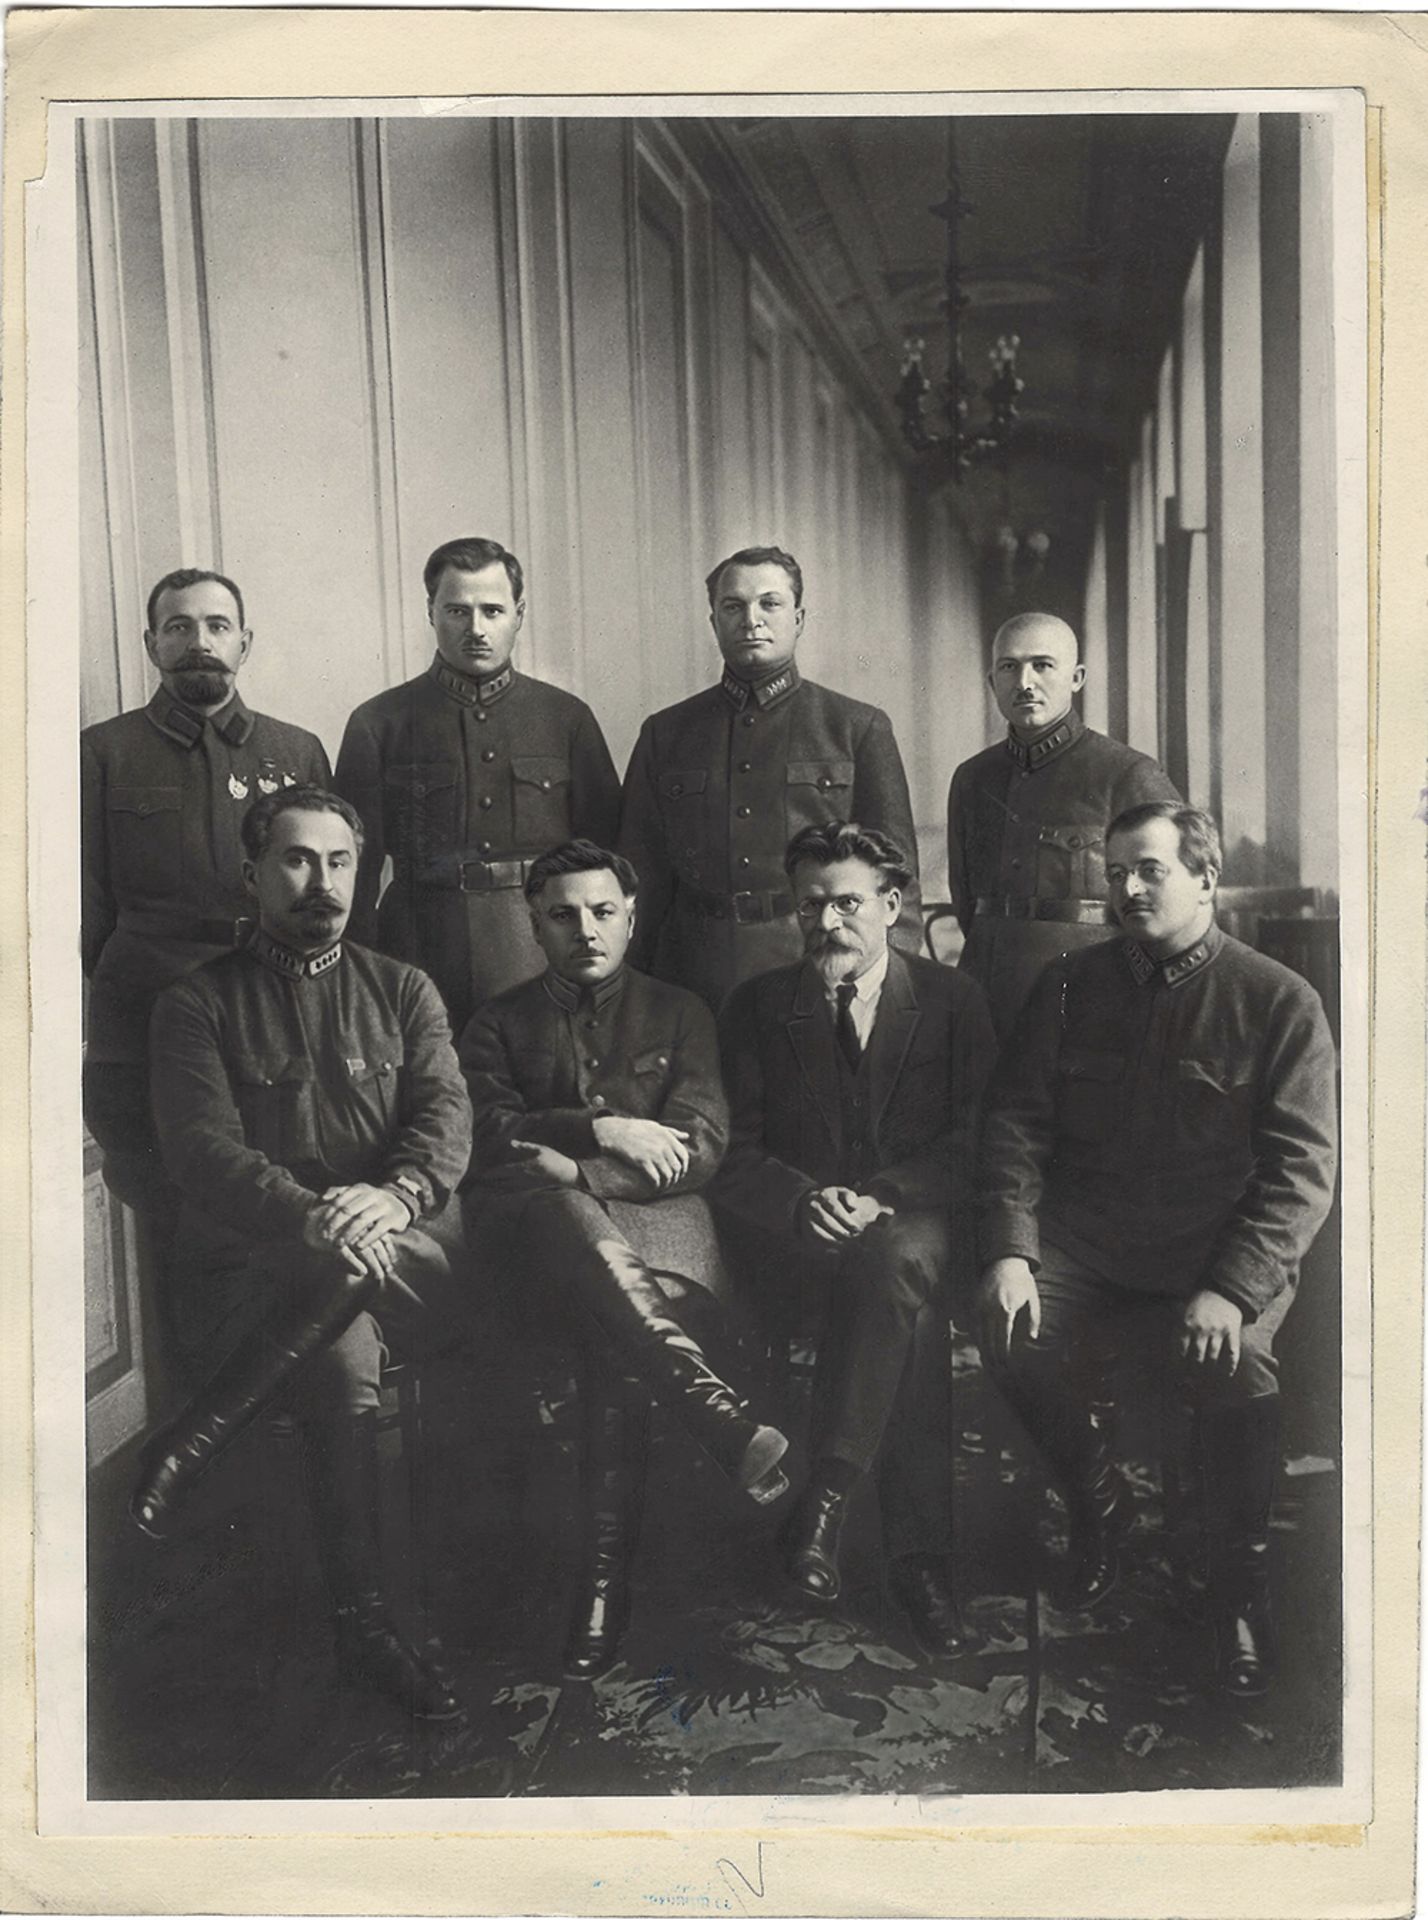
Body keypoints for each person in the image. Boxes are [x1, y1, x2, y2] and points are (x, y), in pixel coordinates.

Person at [975, 802, 1338, 1696]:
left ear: (1206, 879)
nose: (1126, 890)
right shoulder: (1069, 985)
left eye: (1149, 871)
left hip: (1215, 1254)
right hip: (1086, 1241)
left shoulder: (1277, 999)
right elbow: (1015, 1127)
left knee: (1241, 1372)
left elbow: (1301, 1173)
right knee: (1002, 1324)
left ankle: (1233, 1591)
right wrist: (1013, 1251)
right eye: (1115, 874)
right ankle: (1101, 1507)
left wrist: (1235, 1291)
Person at [129, 787, 474, 1721]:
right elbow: (200, 1148)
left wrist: (395, 1195)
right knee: (341, 1354)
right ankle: (367, 1627)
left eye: (339, 862)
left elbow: (446, 1120)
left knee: (361, 1272)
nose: (320, 881)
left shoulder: (404, 989)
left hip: (411, 1257)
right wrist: (308, 1214)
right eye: (295, 859)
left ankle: (196, 1438)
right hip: (264, 1269)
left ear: (363, 875)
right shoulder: (194, 1004)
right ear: (250, 874)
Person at [459, 840, 790, 1681]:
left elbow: (701, 1147)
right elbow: (483, 1136)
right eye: (563, 914)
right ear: (532, 921)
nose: (586, 930)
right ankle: (718, 1422)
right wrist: (598, 1130)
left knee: (609, 1303)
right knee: (576, 1246)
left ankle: (600, 1587)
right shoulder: (498, 1022)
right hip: (542, 1242)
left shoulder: (682, 1012)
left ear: (632, 917)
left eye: (604, 911)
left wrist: (575, 1166)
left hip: (665, 1229)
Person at [713, 822, 996, 1656]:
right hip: (797, 1239)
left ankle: (824, 1504)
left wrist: (880, 1199)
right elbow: (737, 1151)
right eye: (809, 905)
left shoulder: (952, 1002)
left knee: (895, 1262)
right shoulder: (759, 1007)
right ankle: (920, 1564)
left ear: (892, 906)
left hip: (920, 1226)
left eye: (847, 902)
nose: (827, 922)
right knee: (891, 1301)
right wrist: (804, 1202)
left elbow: (975, 1143)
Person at [82, 568, 330, 1225]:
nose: (200, 641)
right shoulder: (103, 752)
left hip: (270, 1006)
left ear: (244, 643)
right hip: (145, 1009)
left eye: (217, 626)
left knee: (276, 1197)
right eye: (179, 626)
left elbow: (324, 894)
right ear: (150, 643)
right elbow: (84, 900)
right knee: (165, 1197)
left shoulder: (296, 751)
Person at [335, 536, 621, 1036]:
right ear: (431, 612)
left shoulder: (566, 718)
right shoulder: (378, 723)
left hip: (540, 950)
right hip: (418, 947)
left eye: (492, 611)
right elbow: (353, 868)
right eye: (457, 611)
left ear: (519, 613)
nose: (476, 629)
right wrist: (357, 972)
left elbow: (608, 856)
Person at [618, 545, 921, 1010]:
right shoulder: (666, 733)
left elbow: (897, 876)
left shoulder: (856, 727)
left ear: (798, 619)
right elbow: (640, 874)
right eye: (733, 606)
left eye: (770, 604)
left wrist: (883, 986)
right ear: (714, 620)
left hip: (816, 962)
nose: (751, 619)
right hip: (694, 975)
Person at [945, 611, 1179, 1038]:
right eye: (1009, 667)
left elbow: (1172, 900)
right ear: (992, 680)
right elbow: (965, 900)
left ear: (1077, 677)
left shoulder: (1128, 774)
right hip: (987, 996)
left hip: (1092, 1001)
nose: (1025, 682)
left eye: (1043, 665)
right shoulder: (972, 779)